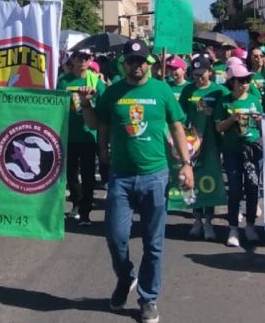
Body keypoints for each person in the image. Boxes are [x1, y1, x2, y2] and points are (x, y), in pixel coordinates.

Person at [78, 39, 191, 323]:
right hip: (121, 177)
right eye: (131, 60)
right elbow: (97, 124)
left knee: (154, 244)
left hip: (156, 175)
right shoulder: (113, 92)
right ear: (124, 63)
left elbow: (177, 127)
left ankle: (148, 298)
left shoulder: (162, 90)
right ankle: (126, 276)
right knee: (116, 238)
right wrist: (86, 104)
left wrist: (186, 163)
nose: (136, 65)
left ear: (148, 63)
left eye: (141, 61)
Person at [214, 63, 264, 248]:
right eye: (241, 80)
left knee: (252, 187)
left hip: (253, 150)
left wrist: (259, 120)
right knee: (234, 189)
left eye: (248, 80)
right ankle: (233, 228)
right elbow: (218, 127)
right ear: (232, 82)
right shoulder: (225, 101)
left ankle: (250, 225)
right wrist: (232, 119)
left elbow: (263, 125)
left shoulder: (254, 99)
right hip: (232, 151)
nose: (245, 84)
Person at [179, 55, 228, 240]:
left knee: (211, 180)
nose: (199, 78)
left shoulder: (219, 91)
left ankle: (209, 221)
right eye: (195, 74)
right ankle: (197, 219)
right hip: (193, 143)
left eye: (202, 74)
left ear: (210, 72)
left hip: (213, 141)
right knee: (194, 180)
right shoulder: (187, 90)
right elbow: (181, 115)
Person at [57, 48, 106, 226]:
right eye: (80, 57)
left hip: (88, 135)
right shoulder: (64, 81)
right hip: (68, 135)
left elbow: (103, 104)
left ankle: (85, 211)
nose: (83, 61)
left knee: (88, 175)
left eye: (86, 58)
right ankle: (76, 204)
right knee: (70, 175)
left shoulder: (94, 80)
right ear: (73, 59)